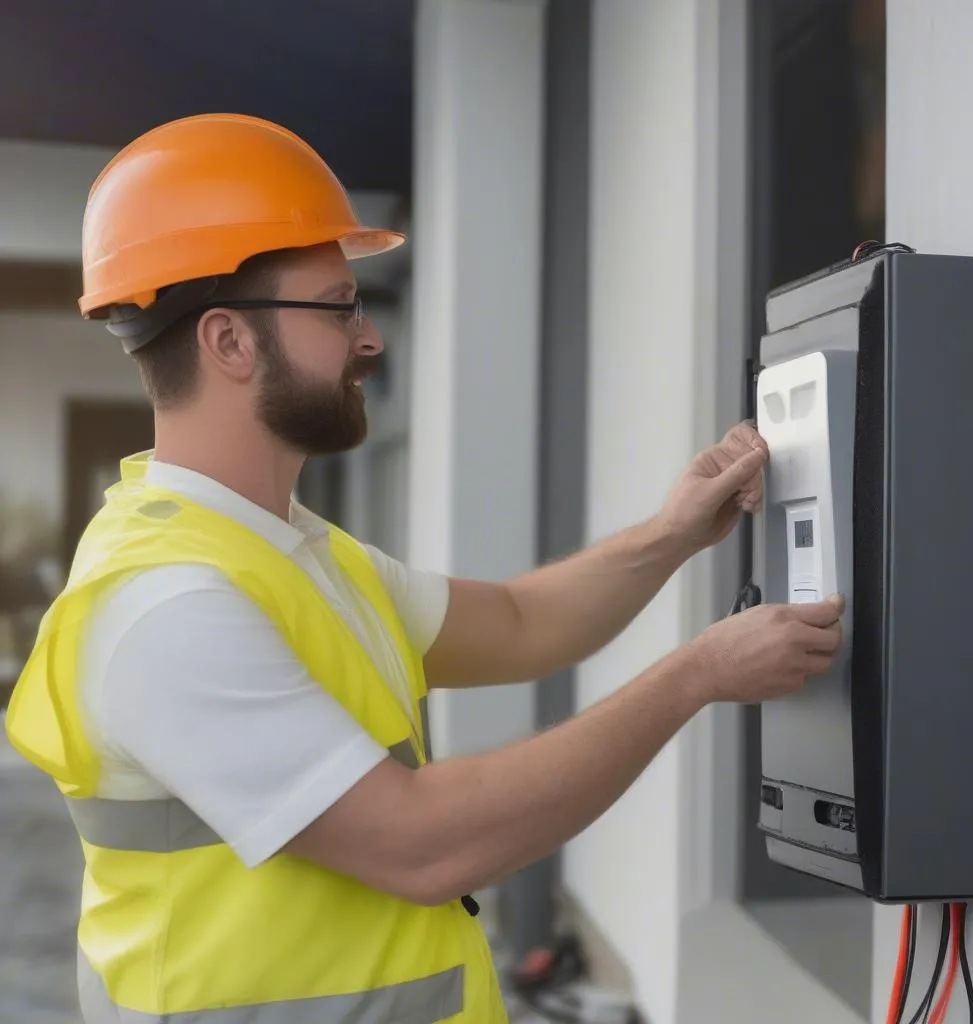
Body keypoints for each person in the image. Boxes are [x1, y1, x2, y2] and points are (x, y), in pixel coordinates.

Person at [5, 114, 844, 1024]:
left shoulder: (294, 551)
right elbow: (421, 844)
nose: (369, 340)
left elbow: (524, 623)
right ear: (228, 342)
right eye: (338, 308)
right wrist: (700, 674)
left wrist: (673, 533)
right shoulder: (166, 606)